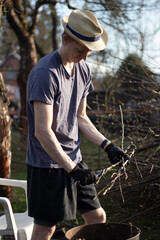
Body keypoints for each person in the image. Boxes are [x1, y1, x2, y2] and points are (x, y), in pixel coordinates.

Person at [26, 9, 130, 240]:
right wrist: (72, 169)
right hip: (47, 164)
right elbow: (42, 132)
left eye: (89, 52)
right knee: (47, 228)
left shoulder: (83, 69)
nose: (85, 57)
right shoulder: (46, 73)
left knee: (97, 217)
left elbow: (80, 117)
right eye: (81, 49)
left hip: (74, 160)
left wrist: (107, 145)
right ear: (65, 39)